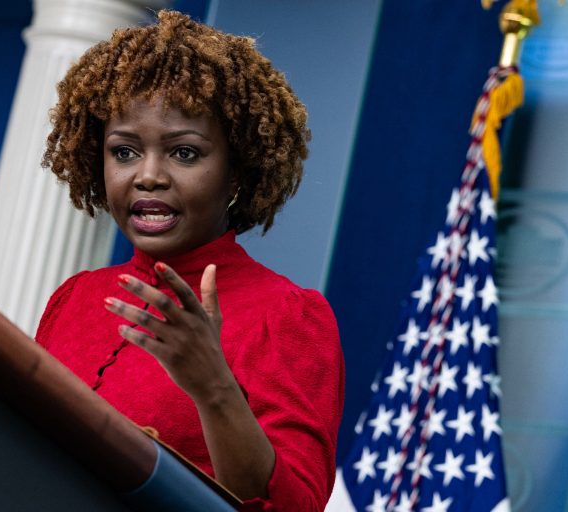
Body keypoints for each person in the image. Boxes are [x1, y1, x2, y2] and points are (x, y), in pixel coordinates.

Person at [36, 10, 344, 512]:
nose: (148, 176)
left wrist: (213, 387)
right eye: (124, 152)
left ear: (237, 171)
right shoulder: (75, 297)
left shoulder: (287, 315)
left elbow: (296, 506)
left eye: (184, 153)